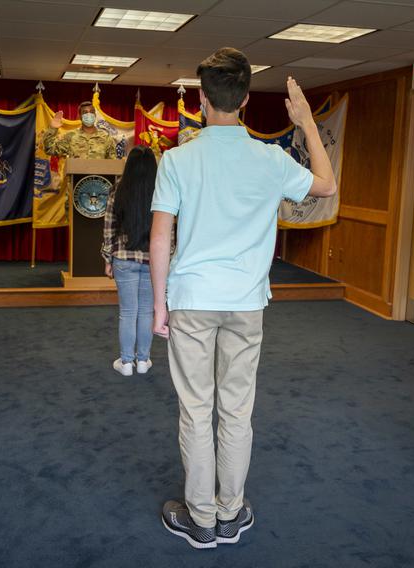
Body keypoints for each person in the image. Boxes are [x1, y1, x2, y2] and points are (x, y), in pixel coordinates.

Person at [149, 48, 337, 549]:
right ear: (246, 100)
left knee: (196, 409)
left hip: (191, 298)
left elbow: (160, 237)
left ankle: (202, 519)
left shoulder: (177, 159)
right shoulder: (271, 158)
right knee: (235, 411)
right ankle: (230, 515)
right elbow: (327, 185)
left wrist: (158, 305)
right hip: (247, 302)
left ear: (200, 100)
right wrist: (306, 123)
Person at [101, 145, 158, 376]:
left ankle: (126, 363)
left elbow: (109, 228)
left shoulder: (118, 190)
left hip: (123, 258)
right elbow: (169, 233)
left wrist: (107, 258)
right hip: (152, 260)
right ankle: (143, 361)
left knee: (128, 312)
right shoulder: (161, 192)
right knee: (146, 312)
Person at [42, 100, 117, 159]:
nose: (89, 115)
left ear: (95, 115)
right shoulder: (70, 136)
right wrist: (53, 128)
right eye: (85, 112)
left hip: (99, 178)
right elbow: (50, 149)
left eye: (91, 112)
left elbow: (113, 163)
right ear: (80, 116)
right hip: (75, 178)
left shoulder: (106, 137)